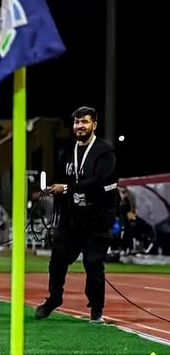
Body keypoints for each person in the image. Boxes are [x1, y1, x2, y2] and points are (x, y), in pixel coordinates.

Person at [35, 106, 118, 324]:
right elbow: (62, 182)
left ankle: (96, 311)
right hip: (72, 218)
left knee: (93, 263)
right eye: (77, 122)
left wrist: (68, 188)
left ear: (94, 125)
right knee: (57, 259)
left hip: (98, 218)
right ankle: (54, 299)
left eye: (85, 122)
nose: (80, 126)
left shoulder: (104, 151)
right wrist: (57, 207)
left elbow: (99, 182)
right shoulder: (66, 151)